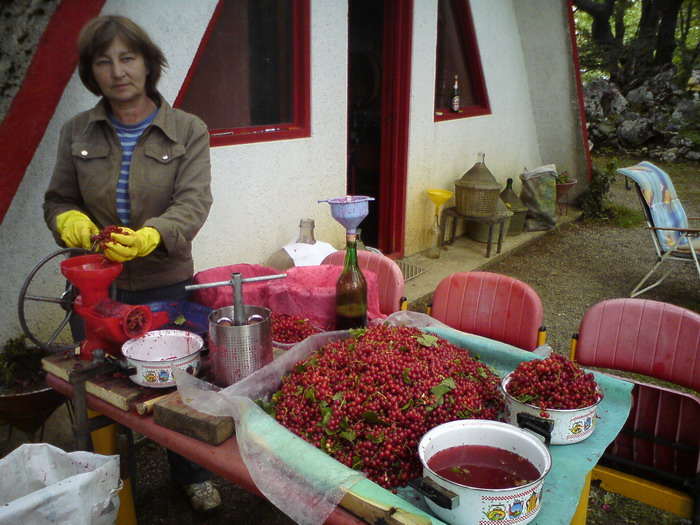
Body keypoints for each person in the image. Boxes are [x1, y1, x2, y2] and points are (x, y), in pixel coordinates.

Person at [43, 15, 219, 513]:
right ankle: (110, 486)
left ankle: (194, 474)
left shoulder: (187, 129)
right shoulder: (77, 131)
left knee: (180, 389)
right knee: (104, 390)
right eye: (104, 61)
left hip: (164, 282)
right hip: (97, 290)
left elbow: (193, 203)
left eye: (128, 57)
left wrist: (150, 237)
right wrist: (71, 224)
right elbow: (56, 200)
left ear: (148, 63)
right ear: (91, 71)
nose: (117, 70)